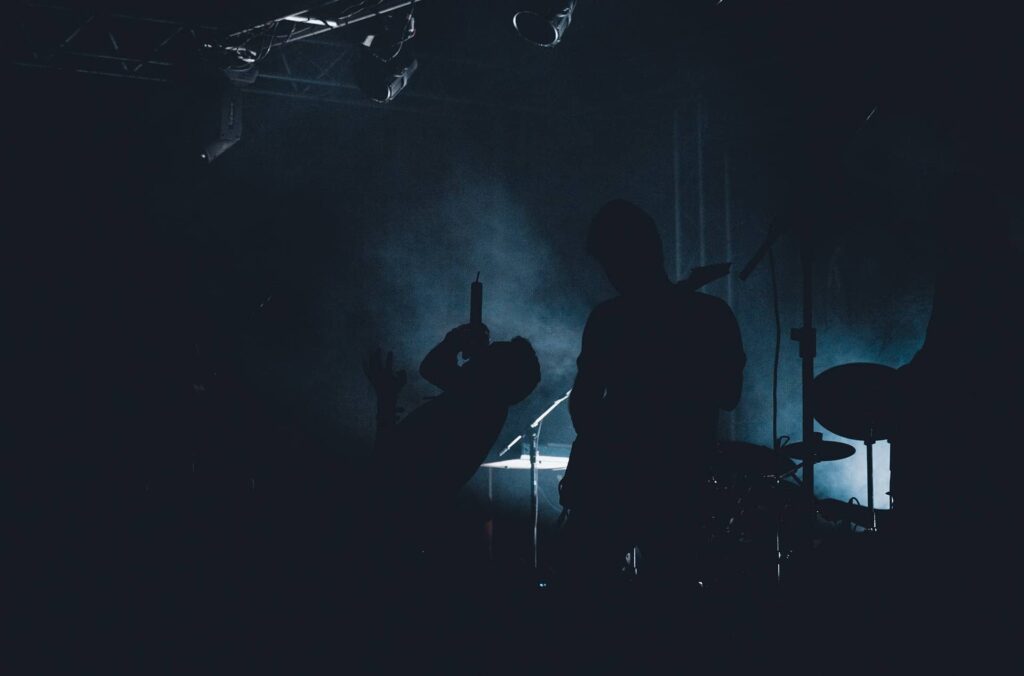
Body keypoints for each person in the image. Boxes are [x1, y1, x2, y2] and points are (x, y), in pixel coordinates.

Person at [559, 199, 746, 594]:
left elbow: (584, 403)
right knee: (670, 594)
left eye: (611, 263)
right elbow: (728, 395)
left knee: (583, 591)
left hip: (612, 480)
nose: (611, 275)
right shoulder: (710, 315)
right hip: (679, 477)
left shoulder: (609, 319)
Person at [363, 324, 541, 546]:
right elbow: (388, 458)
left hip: (392, 522)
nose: (479, 354)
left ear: (494, 374)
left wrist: (456, 339)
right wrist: (386, 403)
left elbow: (432, 368)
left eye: (488, 354)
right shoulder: (482, 406)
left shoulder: (481, 404)